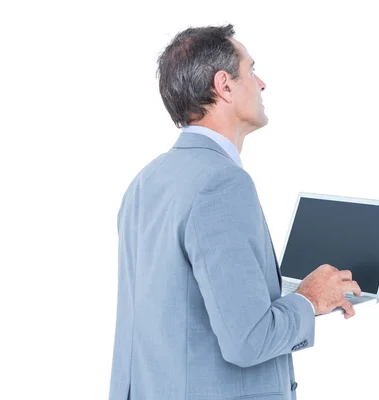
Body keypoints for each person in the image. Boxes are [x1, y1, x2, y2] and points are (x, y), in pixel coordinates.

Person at [108, 23, 361, 400]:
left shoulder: (145, 182)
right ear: (224, 85)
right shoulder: (222, 183)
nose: (261, 83)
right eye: (251, 69)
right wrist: (309, 299)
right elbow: (247, 339)